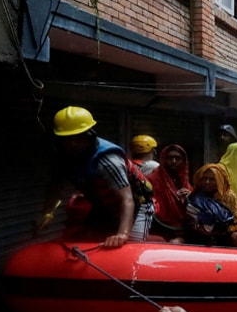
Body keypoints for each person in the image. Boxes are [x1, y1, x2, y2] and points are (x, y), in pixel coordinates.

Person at [42, 106, 154, 248]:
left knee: (130, 246)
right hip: (103, 204)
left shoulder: (108, 160)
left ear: (89, 135)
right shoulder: (63, 157)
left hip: (138, 202)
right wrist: (47, 213)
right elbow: (56, 186)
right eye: (67, 139)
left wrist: (123, 234)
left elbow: (127, 199)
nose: (72, 144)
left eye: (78, 138)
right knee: (85, 238)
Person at [184, 163, 237, 247]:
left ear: (220, 180)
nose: (207, 182)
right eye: (204, 178)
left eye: (212, 179)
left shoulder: (228, 197)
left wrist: (218, 231)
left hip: (223, 235)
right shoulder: (195, 196)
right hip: (199, 235)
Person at [148, 144, 193, 243]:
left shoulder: (184, 180)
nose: (174, 161)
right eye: (170, 158)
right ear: (163, 159)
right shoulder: (152, 179)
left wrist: (189, 196)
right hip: (158, 228)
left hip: (182, 229)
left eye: (177, 158)